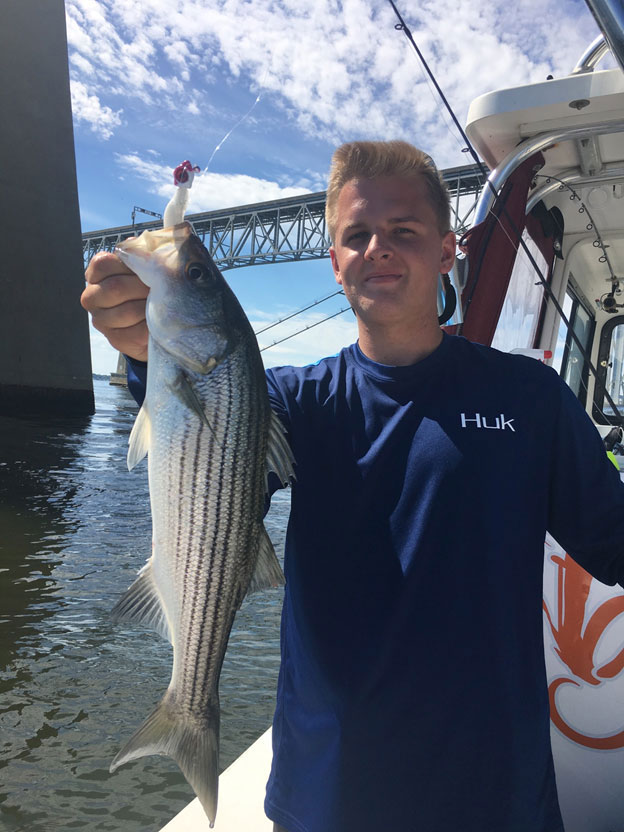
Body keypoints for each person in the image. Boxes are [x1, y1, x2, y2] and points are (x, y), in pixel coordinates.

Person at [82, 140, 624, 832]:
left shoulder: (531, 399)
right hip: (328, 795)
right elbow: (212, 431)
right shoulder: (296, 403)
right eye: (357, 236)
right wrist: (142, 351)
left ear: (447, 250)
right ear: (334, 263)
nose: (378, 249)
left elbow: (613, 540)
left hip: (495, 795)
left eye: (404, 232)